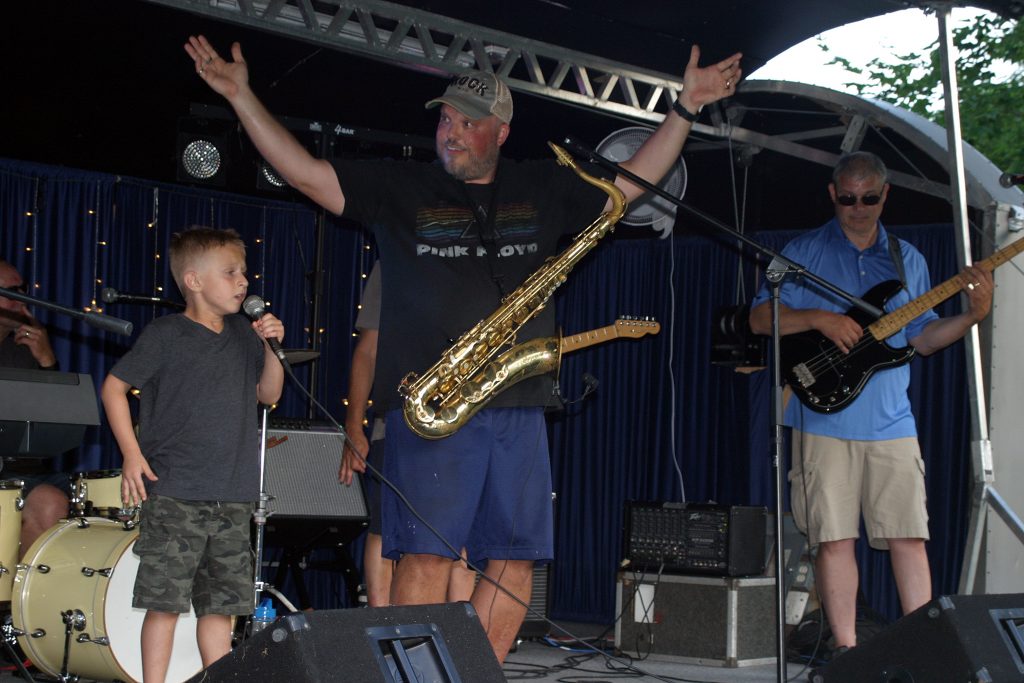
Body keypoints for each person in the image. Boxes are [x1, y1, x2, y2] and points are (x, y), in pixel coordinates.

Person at [186, 34, 741, 662]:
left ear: (501, 132)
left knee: (516, 558)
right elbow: (305, 173)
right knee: (425, 553)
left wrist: (686, 108)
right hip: (435, 403)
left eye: (466, 122)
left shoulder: (543, 186)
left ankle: (476, 673)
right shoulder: (403, 188)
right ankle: (412, 675)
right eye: (445, 119)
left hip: (518, 402)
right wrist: (240, 95)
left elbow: (632, 184)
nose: (449, 131)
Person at [748, 151, 993, 656]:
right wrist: (819, 317)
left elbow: (923, 340)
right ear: (832, 195)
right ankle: (847, 651)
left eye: (869, 198)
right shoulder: (803, 250)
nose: (858, 207)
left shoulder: (910, 260)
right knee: (834, 539)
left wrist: (973, 316)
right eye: (847, 198)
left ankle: (921, 649)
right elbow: (757, 319)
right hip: (821, 416)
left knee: (909, 536)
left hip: (892, 422)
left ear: (885, 196)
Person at [101, 227, 285, 682]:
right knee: (164, 604)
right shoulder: (167, 334)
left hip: (233, 493)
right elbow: (114, 387)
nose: (243, 281)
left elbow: (269, 394)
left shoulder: (245, 335)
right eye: (230, 272)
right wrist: (131, 453)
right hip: (178, 492)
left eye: (243, 272)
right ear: (195, 281)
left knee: (220, 608)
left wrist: (271, 348)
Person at [339, 262, 475, 606]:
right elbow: (368, 349)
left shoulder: (485, 259)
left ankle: (461, 639)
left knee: (463, 540)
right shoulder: (393, 261)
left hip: (469, 422)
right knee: (385, 531)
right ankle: (379, 626)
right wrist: (354, 423)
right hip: (399, 420)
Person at [0, 258, 72, 556]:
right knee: (49, 500)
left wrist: (47, 362)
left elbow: (56, 426)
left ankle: (25, 599)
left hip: (23, 469)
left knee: (97, 496)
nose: (23, 299)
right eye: (13, 292)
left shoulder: (25, 345)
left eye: (24, 289)